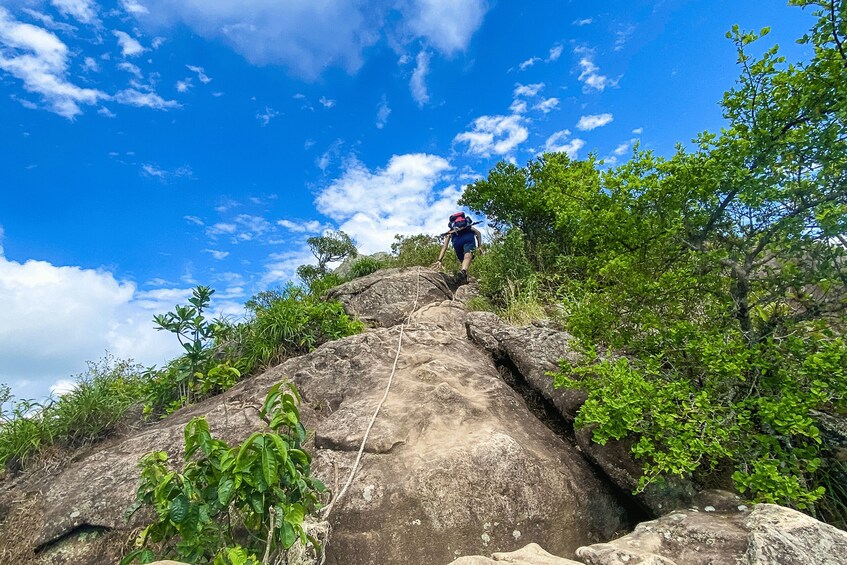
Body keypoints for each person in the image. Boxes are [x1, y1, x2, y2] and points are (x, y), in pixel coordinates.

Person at [434, 212, 483, 283]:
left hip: (456, 242)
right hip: (468, 237)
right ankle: (463, 272)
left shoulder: (451, 231)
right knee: (467, 258)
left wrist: (439, 260)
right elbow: (478, 233)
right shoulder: (467, 226)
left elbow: (445, 247)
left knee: (463, 260)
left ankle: (464, 277)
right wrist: (479, 246)